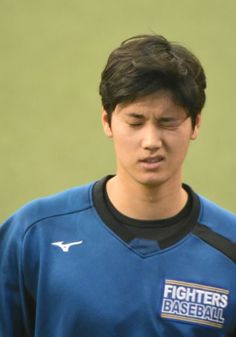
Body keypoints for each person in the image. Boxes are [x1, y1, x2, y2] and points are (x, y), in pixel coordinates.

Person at [0, 34, 236, 337]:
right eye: (135, 122)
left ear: (196, 125)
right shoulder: (33, 234)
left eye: (168, 122)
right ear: (107, 122)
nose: (151, 142)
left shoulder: (229, 247)